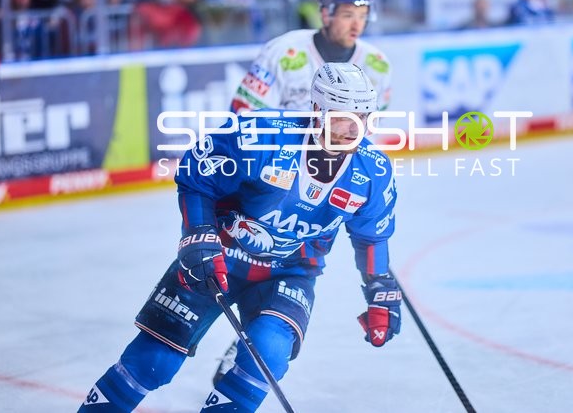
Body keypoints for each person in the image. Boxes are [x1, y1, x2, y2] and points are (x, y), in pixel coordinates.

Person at [78, 62, 401, 412]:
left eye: (363, 116)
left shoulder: (374, 171)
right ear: (317, 110)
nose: (354, 128)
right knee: (154, 360)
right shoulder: (261, 135)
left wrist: (379, 288)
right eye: (343, 116)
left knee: (270, 352)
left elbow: (371, 237)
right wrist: (198, 233)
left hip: (290, 271)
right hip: (218, 258)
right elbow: (198, 174)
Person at [230, 0, 392, 113]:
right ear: (326, 14)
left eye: (362, 16)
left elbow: (371, 129)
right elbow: (245, 112)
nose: (357, 25)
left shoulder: (377, 64)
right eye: (348, 15)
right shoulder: (280, 52)